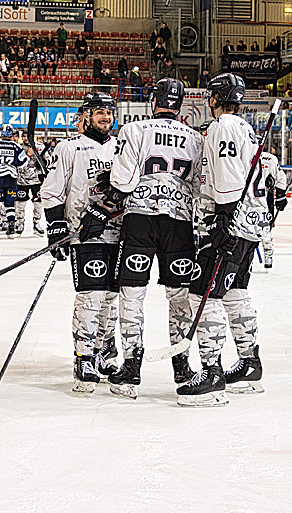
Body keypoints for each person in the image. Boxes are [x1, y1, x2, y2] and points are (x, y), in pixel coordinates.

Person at [78, 78, 203, 399]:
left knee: (132, 293)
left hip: (140, 221)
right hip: (179, 224)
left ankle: (132, 366)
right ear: (180, 105)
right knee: (179, 296)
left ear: (153, 101)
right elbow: (200, 186)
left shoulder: (135, 130)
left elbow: (122, 181)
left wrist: (100, 211)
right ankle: (182, 365)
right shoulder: (195, 138)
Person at [182, 72, 270, 406]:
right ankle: (249, 364)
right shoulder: (245, 128)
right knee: (236, 294)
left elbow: (230, 175)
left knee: (203, 294)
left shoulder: (223, 126)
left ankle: (212, 373)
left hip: (229, 223)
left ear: (215, 98)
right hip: (249, 225)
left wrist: (222, 221)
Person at [41, 92, 121, 392]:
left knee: (110, 298)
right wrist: (56, 226)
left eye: (109, 112)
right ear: (85, 116)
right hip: (84, 234)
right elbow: (52, 190)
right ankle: (83, 357)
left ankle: (103, 354)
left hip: (119, 232)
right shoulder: (69, 147)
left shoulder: (121, 147)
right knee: (91, 296)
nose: (105, 117)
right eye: (99, 111)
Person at [259, 144, 289, 269]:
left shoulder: (270, 159)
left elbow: (280, 178)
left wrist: (281, 196)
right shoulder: (244, 156)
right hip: (248, 199)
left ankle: (268, 254)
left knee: (266, 228)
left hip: (266, 199)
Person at [13, 135, 44, 236]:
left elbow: (48, 160)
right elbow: (16, 162)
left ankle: (37, 223)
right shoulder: (18, 147)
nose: (26, 138)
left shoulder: (41, 147)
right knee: (20, 203)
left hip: (37, 180)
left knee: (38, 203)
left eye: (28, 136)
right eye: (24, 136)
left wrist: (42, 163)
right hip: (22, 180)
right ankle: (19, 223)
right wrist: (28, 154)